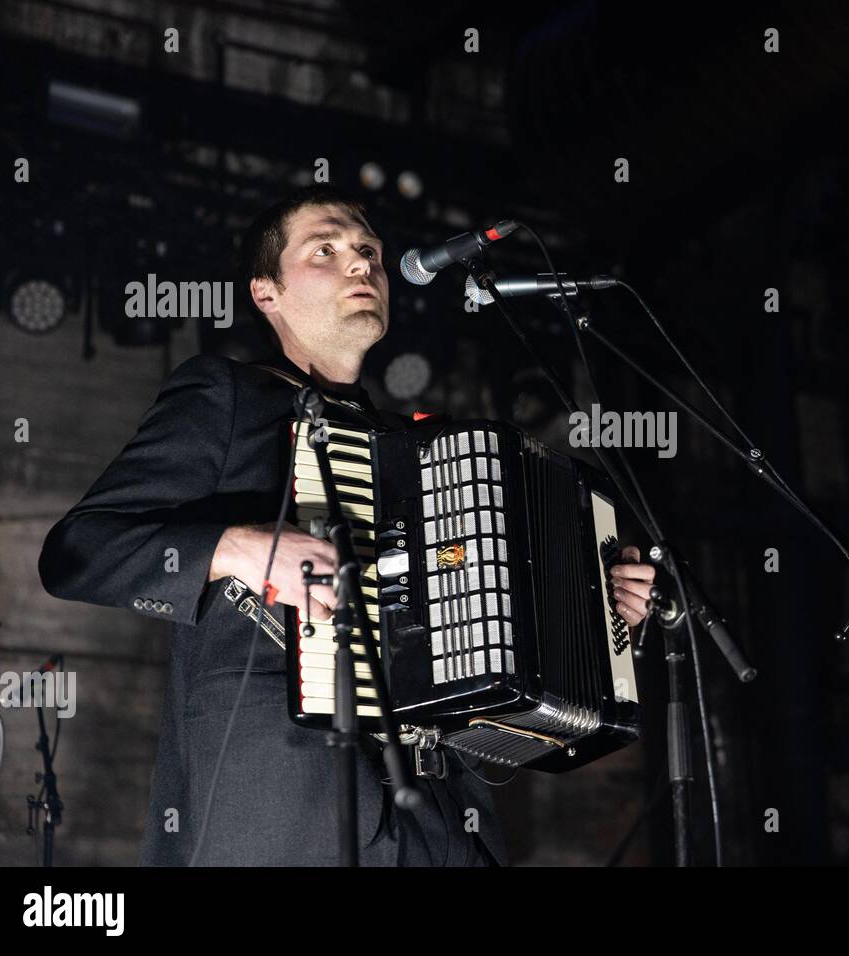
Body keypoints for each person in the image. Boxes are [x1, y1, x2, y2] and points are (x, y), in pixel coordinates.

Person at [38, 184, 656, 866]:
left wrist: (602, 619)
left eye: (369, 252)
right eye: (324, 251)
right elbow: (77, 552)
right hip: (286, 799)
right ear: (266, 293)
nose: (359, 264)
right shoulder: (226, 396)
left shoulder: (416, 453)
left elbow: (487, 654)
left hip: (445, 815)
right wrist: (237, 548)